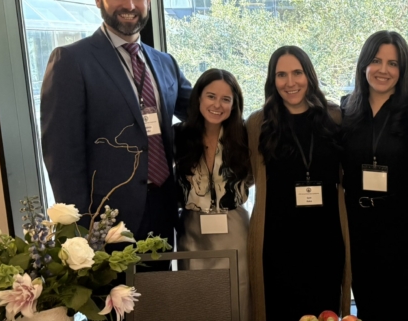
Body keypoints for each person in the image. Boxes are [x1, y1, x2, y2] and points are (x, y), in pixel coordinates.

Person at [40, 0, 191, 259]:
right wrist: (82, 229)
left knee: (160, 296)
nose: (130, 5)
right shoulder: (72, 60)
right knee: (113, 299)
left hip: (163, 210)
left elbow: (206, 110)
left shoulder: (165, 63)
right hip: (105, 222)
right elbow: (62, 157)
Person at [245, 46, 350, 321]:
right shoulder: (259, 123)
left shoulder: (334, 118)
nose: (290, 83)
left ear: (309, 76)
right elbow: (243, 175)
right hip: (278, 243)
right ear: (272, 80)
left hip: (326, 242)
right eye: (281, 75)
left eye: (297, 73)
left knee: (325, 312)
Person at [340, 31, 408, 321]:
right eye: (376, 60)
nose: (383, 70)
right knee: (366, 301)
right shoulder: (346, 107)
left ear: (403, 69)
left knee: (400, 305)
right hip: (358, 224)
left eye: (393, 63)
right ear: (364, 64)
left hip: (402, 226)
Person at [173, 69, 250, 320]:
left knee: (238, 296)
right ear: (198, 98)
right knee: (197, 298)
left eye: (226, 99)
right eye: (211, 96)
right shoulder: (178, 136)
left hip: (234, 230)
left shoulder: (245, 136)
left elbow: (255, 177)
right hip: (193, 231)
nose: (217, 105)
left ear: (234, 104)